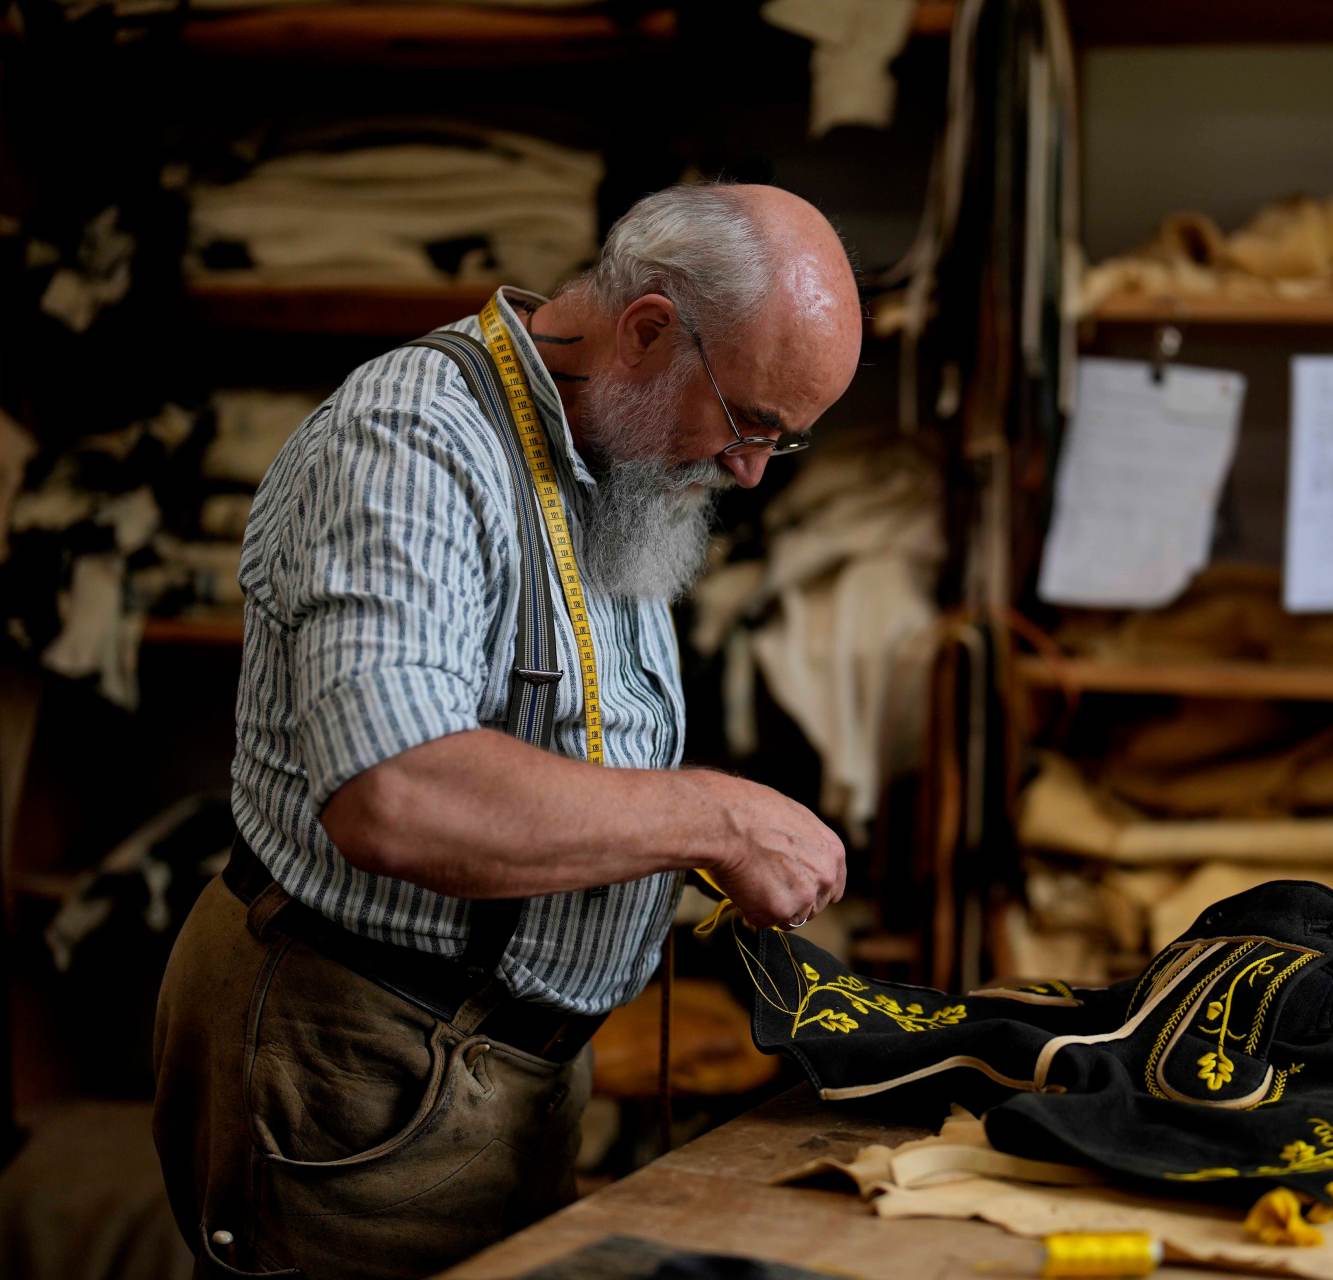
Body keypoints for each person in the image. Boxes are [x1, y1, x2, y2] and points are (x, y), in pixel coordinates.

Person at [151, 182, 859, 1279]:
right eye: (752, 421)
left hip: (497, 1062)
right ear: (648, 330)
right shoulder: (412, 438)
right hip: (363, 1062)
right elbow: (399, 791)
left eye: (786, 441)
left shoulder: (615, 451)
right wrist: (713, 817)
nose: (752, 468)